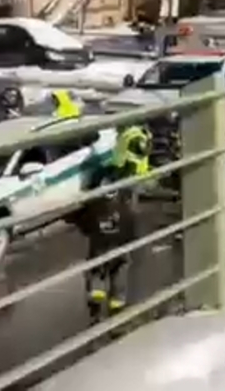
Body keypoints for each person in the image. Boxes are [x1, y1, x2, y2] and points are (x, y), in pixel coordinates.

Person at [74, 125, 151, 321]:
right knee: (121, 261)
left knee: (97, 257)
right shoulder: (140, 136)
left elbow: (87, 202)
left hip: (101, 227)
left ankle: (96, 292)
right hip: (122, 223)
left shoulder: (102, 172)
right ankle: (117, 298)